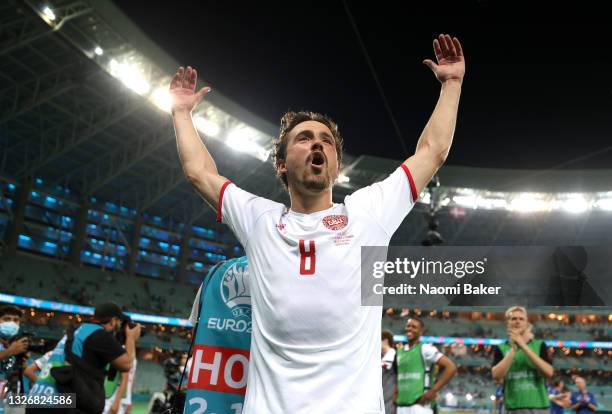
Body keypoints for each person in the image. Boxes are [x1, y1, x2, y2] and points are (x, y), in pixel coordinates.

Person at [171, 33, 465, 413]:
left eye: (326, 140)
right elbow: (199, 173)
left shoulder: (368, 213)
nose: (317, 144)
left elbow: (431, 152)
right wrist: (180, 113)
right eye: (304, 138)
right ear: (281, 163)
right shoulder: (260, 220)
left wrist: (452, 85)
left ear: (336, 165)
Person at [27, 303, 141, 414]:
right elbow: (126, 364)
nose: (118, 327)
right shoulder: (99, 334)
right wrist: (131, 338)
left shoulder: (77, 332)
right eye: (119, 322)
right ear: (112, 321)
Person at [492, 306, 554, 414]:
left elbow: (549, 372)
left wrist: (524, 346)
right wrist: (514, 348)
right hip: (512, 407)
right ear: (508, 323)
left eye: (521, 319)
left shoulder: (539, 345)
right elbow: (496, 376)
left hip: (538, 407)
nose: (517, 321)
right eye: (513, 319)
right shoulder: (501, 348)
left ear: (526, 324)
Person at [393, 318, 457, 414]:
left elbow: (451, 367)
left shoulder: (425, 348)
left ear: (421, 331)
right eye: (408, 326)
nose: (410, 329)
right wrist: (395, 393)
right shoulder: (399, 352)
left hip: (420, 407)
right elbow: (399, 376)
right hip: (401, 406)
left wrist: (433, 391)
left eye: (414, 327)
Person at [382, 330, 397, 414]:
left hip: (390, 401)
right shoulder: (383, 358)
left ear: (385, 341)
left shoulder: (393, 355)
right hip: (384, 400)